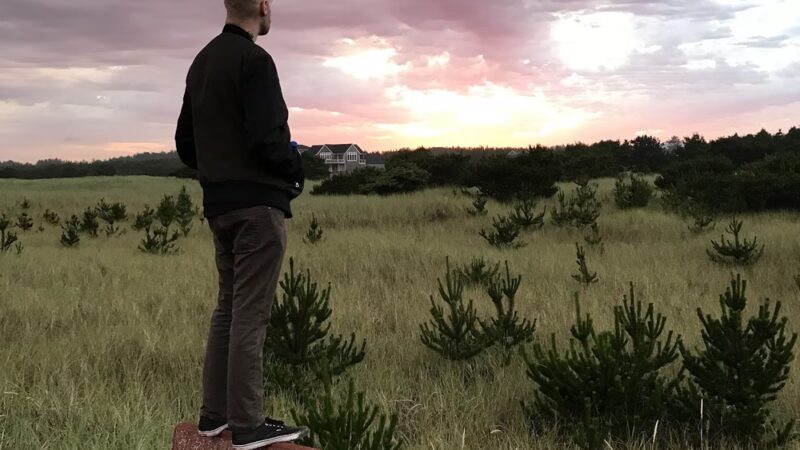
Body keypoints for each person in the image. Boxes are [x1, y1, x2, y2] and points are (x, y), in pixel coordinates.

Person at [174, 0, 307, 448]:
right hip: (257, 209)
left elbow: (185, 143)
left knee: (227, 309)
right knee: (249, 314)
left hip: (220, 205)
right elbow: (270, 138)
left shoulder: (202, 62)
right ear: (263, 7)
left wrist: (219, 166)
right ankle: (247, 425)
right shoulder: (256, 60)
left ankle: (213, 417)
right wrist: (294, 167)